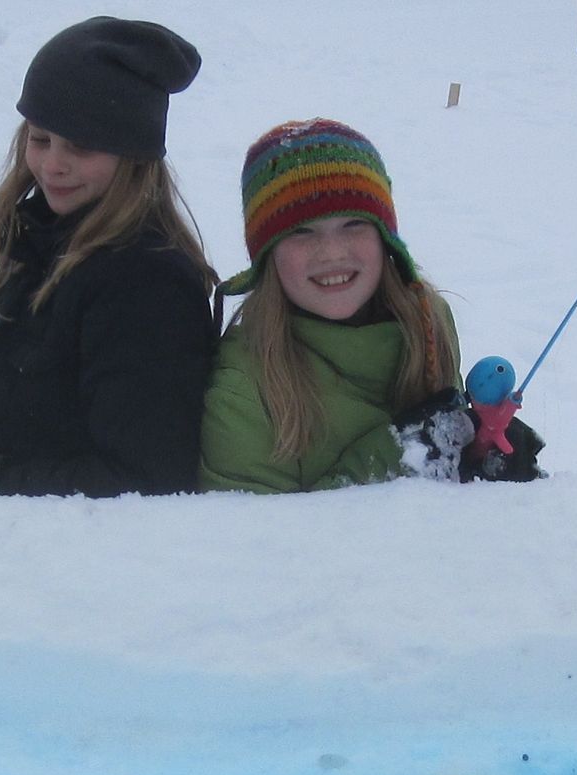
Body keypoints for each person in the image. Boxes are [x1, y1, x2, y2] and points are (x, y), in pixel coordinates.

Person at [0, 17, 217, 496]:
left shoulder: (146, 285)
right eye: (41, 139)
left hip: (71, 561)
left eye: (80, 146)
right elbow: (26, 419)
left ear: (133, 153)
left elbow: (142, 481)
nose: (52, 164)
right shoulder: (48, 241)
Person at [198, 119, 542, 494]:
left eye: (353, 225)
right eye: (301, 231)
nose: (331, 252)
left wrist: (479, 457)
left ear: (386, 241)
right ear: (266, 253)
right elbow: (252, 544)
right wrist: (400, 456)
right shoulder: (244, 389)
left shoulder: (428, 323)